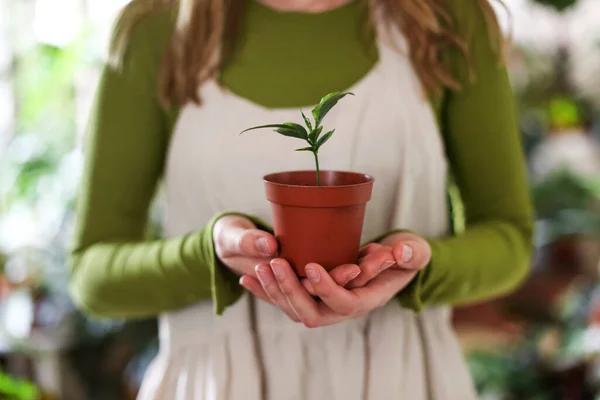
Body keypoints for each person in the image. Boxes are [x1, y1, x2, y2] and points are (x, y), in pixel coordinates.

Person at [69, 0, 533, 398]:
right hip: (217, 385)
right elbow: (94, 275)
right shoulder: (162, 27)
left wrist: (413, 263)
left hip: (403, 380)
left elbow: (509, 239)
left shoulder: (443, 20)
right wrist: (210, 253)